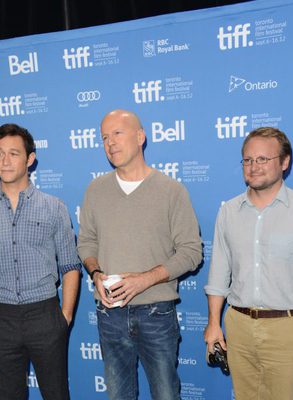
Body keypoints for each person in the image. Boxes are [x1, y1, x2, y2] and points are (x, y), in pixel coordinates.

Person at [77, 109, 202, 400]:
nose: (110, 143)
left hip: (157, 312)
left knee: (166, 395)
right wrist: (95, 273)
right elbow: (87, 243)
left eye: (117, 133)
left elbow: (192, 252)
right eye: (104, 137)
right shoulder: (95, 190)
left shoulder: (172, 191)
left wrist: (145, 280)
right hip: (109, 314)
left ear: (140, 137)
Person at [204, 127, 293, 400]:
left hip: (288, 330)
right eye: (248, 160)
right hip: (238, 328)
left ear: (285, 162)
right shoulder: (228, 211)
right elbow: (218, 275)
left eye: (263, 159)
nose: (254, 167)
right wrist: (214, 324)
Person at [0, 123, 81, 400]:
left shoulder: (54, 207)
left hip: (45, 315)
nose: (5, 160)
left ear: (30, 159)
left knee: (56, 394)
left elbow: (69, 266)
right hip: (0, 319)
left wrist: (63, 318)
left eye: (14, 153)